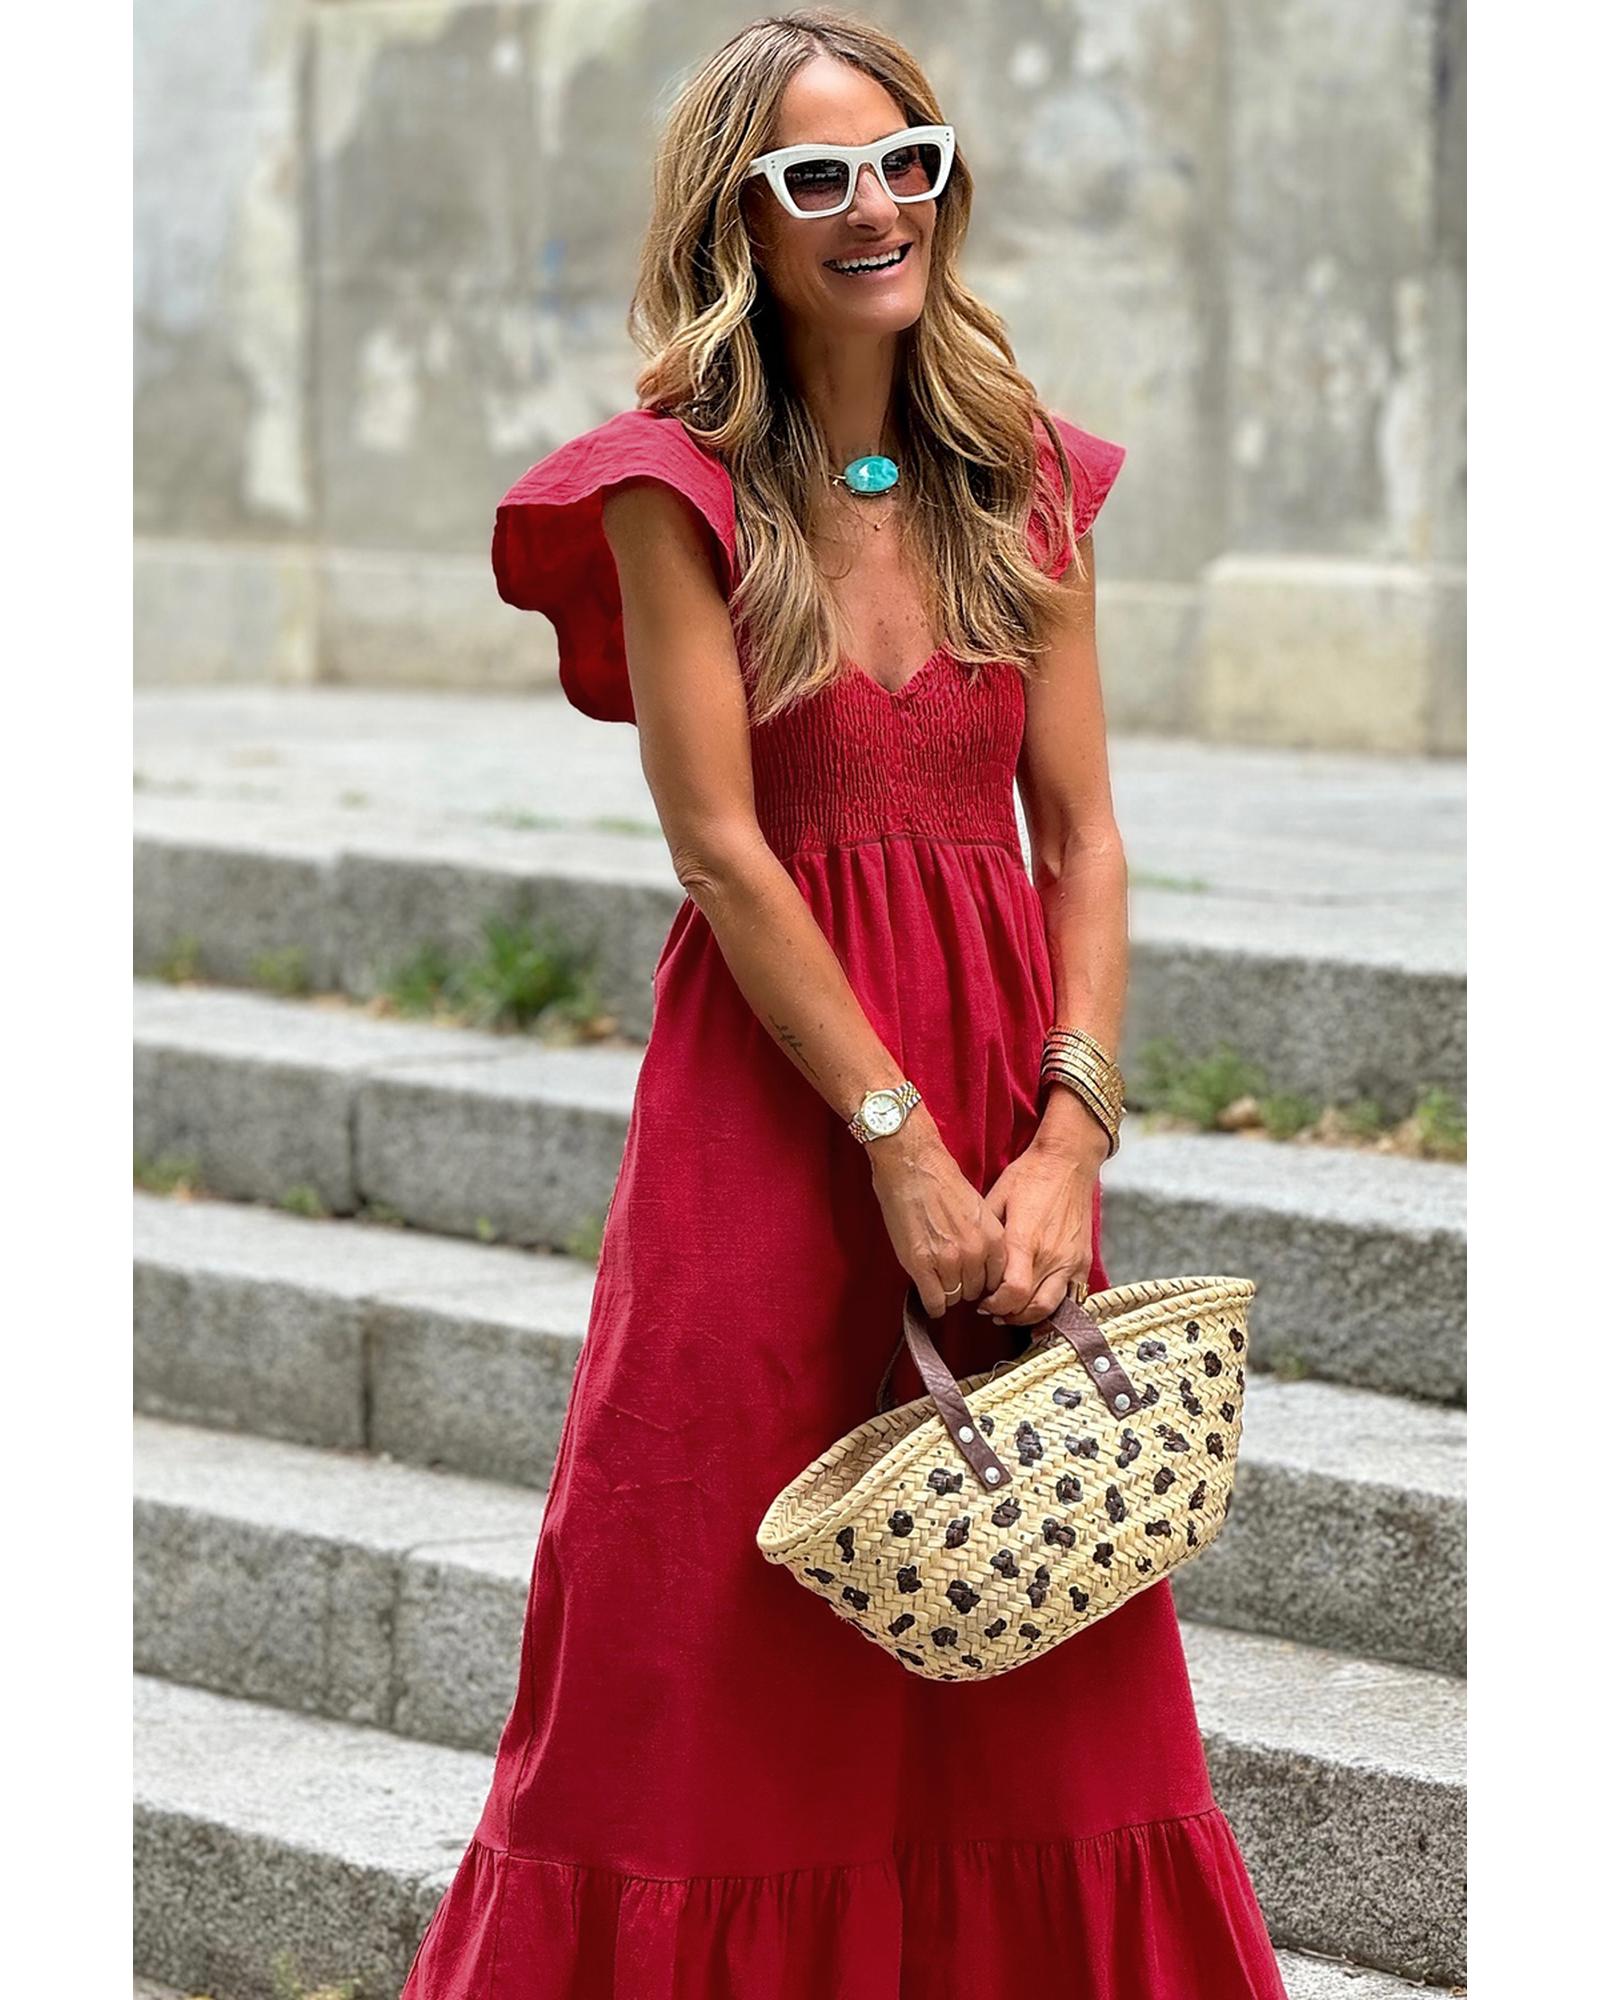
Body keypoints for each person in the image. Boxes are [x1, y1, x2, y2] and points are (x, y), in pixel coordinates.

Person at [401, 10, 1287, 1997]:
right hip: (771, 1103)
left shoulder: (1019, 475)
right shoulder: (674, 489)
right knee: (689, 1612)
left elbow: (1082, 834)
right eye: (816, 176)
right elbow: (720, 846)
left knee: (1028, 1595)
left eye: (906, 159)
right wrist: (891, 1138)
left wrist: (1067, 1133)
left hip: (1000, 1086)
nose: (875, 204)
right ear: (739, 218)